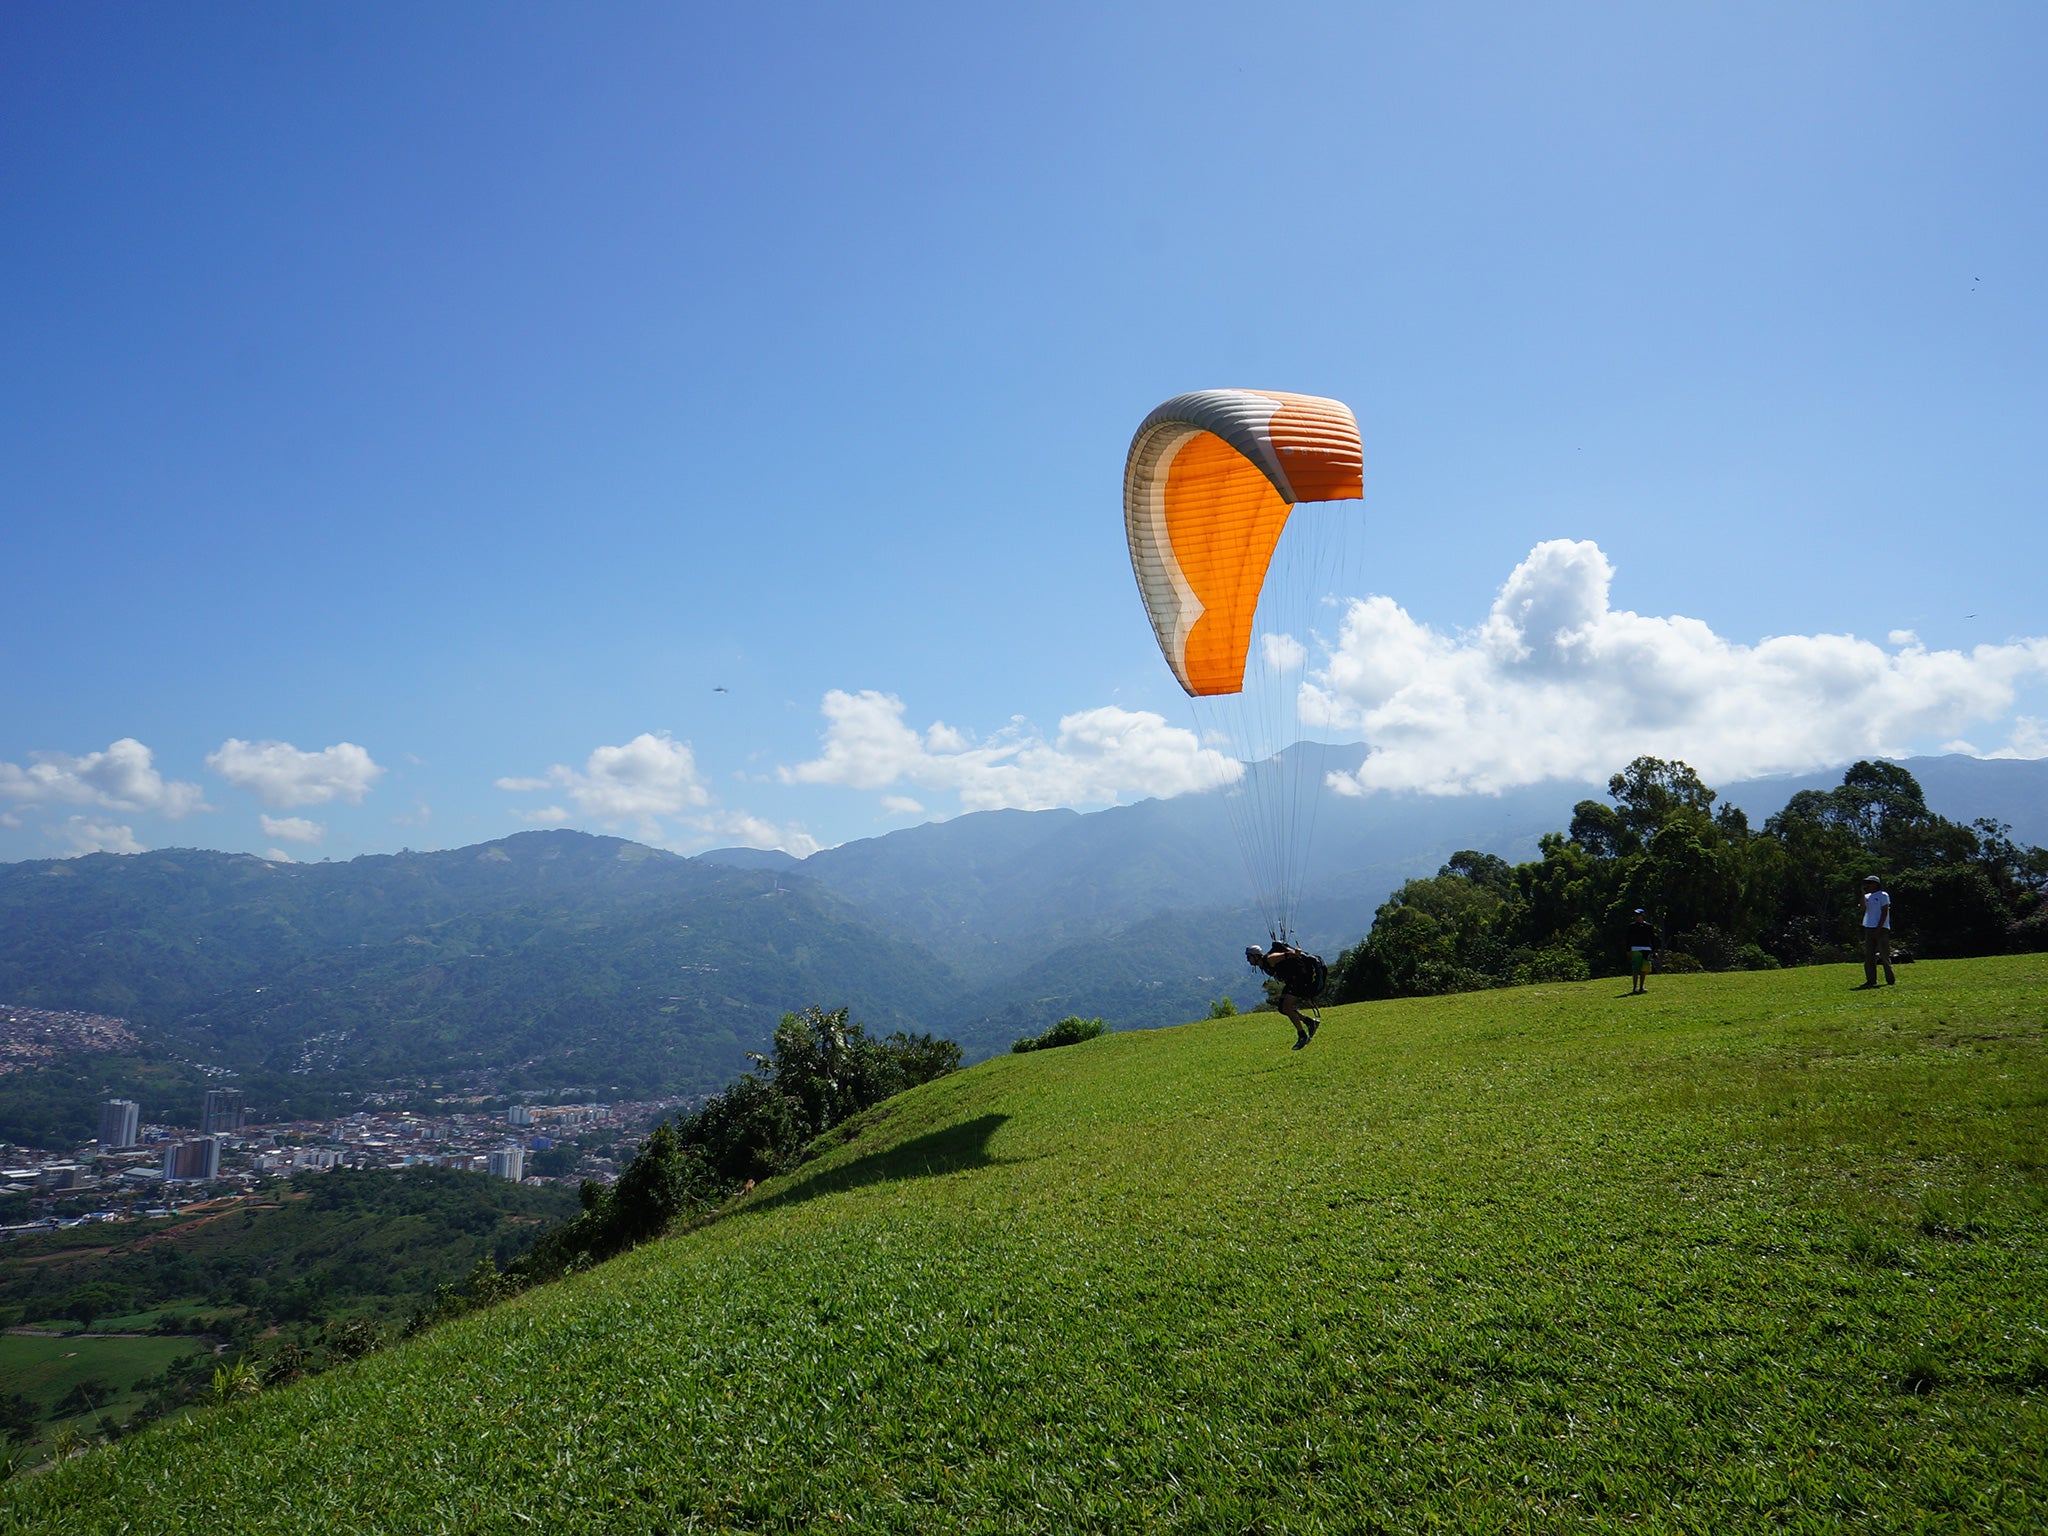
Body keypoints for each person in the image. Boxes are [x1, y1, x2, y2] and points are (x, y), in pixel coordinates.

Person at [1246, 941, 1326, 1049]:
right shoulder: (1263, 965)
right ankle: (1310, 1022)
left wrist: (1295, 952)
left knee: (1286, 1008)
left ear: (1256, 956)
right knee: (1282, 1008)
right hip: (1292, 982)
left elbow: (1288, 955)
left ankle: (1302, 1035)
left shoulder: (1270, 959)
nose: (1248, 960)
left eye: (1249, 957)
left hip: (1298, 982)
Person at [1859, 874, 1896, 987]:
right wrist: (1862, 894)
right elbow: (1862, 908)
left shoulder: (1883, 895)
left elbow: (1885, 911)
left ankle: (1890, 979)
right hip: (1869, 927)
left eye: (1870, 883)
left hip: (1882, 928)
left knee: (1884, 955)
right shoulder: (1867, 897)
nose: (1868, 885)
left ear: (1876, 884)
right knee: (1869, 956)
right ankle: (1871, 980)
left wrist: (1879, 928)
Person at [1626, 908, 1657, 995]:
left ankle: (1641, 987)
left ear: (1642, 916)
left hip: (1646, 949)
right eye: (1635, 915)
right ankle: (1634, 987)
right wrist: (1628, 950)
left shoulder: (1648, 926)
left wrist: (1654, 950)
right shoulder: (1631, 926)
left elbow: (1652, 938)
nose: (1636, 917)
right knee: (1636, 969)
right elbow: (1628, 939)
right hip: (1635, 949)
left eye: (1638, 915)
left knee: (1644, 969)